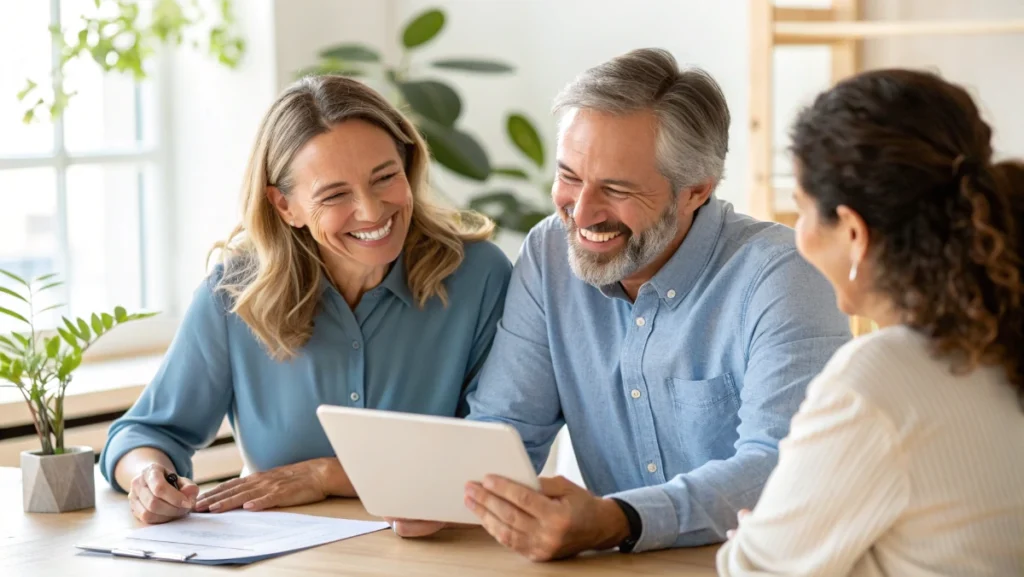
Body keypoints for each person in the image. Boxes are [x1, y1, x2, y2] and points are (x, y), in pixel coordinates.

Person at [392, 48, 851, 560]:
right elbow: (507, 429)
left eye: (616, 188)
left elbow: (780, 466)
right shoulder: (548, 253)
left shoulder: (783, 274)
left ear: (696, 191)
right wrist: (446, 491)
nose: (581, 211)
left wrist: (619, 520)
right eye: (569, 176)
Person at [99, 75, 513, 525]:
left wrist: (325, 476)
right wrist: (149, 478)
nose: (372, 212)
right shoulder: (236, 292)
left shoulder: (478, 276)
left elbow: (495, 457)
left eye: (385, 178)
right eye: (335, 195)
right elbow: (144, 432)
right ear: (285, 206)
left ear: (407, 163)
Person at [717, 69, 1024, 576]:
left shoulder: (879, 378)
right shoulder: (1002, 341)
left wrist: (756, 536)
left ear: (855, 233)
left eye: (803, 212)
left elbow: (755, 570)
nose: (800, 234)